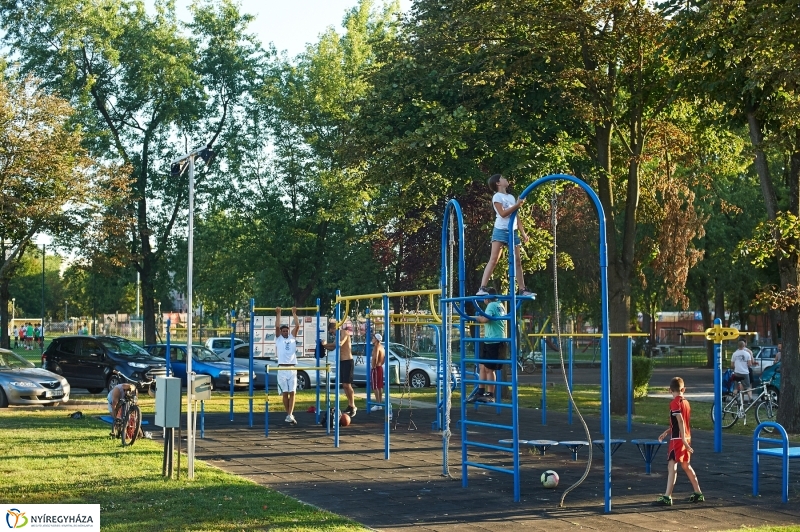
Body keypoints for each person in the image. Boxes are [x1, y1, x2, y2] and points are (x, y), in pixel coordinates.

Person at [477, 174, 534, 297]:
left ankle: (522, 289)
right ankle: (482, 288)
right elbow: (503, 213)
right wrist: (517, 205)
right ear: (498, 183)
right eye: (503, 178)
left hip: (512, 231)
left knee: (517, 261)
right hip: (501, 230)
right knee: (494, 259)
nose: (506, 179)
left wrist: (523, 233)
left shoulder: (512, 197)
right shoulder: (497, 197)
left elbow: (516, 216)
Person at [655, 376, 703, 505]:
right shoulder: (686, 402)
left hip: (678, 439)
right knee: (686, 465)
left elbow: (680, 420)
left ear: (670, 390)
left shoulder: (674, 403)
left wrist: (682, 440)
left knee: (672, 465)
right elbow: (679, 423)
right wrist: (667, 431)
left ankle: (667, 496)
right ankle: (698, 492)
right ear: (684, 389)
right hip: (686, 436)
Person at [468, 287, 506, 403]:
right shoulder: (500, 304)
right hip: (491, 340)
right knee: (482, 367)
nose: (483, 299)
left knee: (489, 369)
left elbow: (485, 319)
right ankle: (480, 392)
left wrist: (472, 317)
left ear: (487, 297)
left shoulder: (491, 305)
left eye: (484, 296)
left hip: (494, 341)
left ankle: (490, 395)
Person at [323, 320, 357, 417]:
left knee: (347, 384)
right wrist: (323, 346)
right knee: (344, 385)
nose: (332, 334)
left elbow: (339, 344)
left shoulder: (344, 333)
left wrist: (325, 344)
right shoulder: (337, 336)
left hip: (348, 361)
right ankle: (350, 405)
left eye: (332, 332)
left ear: (334, 328)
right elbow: (333, 348)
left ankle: (353, 405)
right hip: (342, 361)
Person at [275, 307, 300, 425]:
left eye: (286, 331)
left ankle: (290, 415)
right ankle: (289, 415)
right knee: (285, 393)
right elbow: (276, 326)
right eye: (283, 331)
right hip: (282, 368)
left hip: (292, 368)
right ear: (281, 332)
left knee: (293, 392)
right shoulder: (278, 339)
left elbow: (298, 326)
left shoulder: (292, 338)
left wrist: (294, 313)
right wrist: (278, 313)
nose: (285, 332)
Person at [370, 333, 386, 412]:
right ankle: (379, 403)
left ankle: (378, 404)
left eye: (373, 338)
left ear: (376, 339)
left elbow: (375, 357)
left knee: (375, 386)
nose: (372, 339)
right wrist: (380, 364)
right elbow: (384, 358)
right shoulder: (382, 347)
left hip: (376, 368)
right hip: (380, 367)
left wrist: (373, 366)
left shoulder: (376, 347)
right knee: (380, 386)